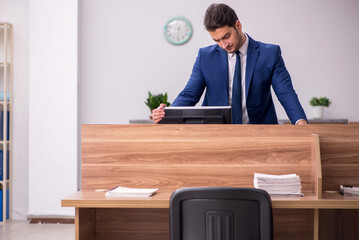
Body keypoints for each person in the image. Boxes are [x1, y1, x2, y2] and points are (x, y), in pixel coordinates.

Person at [153, 3, 307, 125]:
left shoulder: (270, 54)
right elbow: (190, 94)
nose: (223, 45)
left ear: (238, 26)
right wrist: (169, 112)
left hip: (260, 132)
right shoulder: (205, 57)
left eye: (226, 36)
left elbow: (285, 92)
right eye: (216, 40)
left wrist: (300, 122)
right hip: (217, 135)